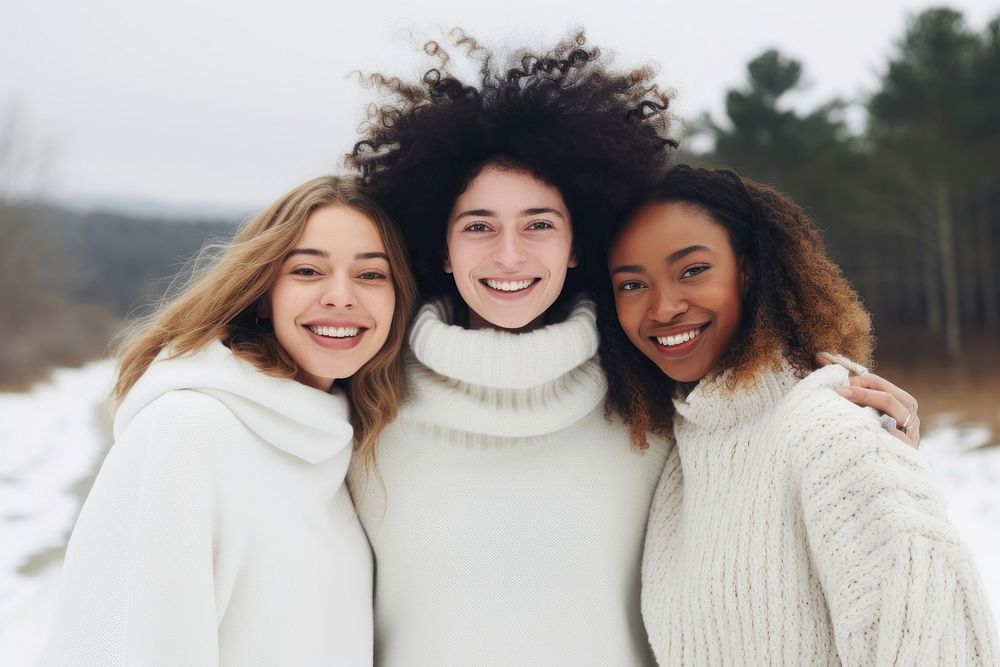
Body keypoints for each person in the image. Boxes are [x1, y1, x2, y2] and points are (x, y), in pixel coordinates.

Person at [346, 34, 922, 664]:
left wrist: (863, 434)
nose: (508, 254)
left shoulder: (649, 392)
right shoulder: (367, 394)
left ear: (575, 245)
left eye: (539, 223)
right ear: (443, 251)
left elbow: (763, 465)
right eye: (478, 226)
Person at [599, 164, 997, 665]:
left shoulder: (830, 429)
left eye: (693, 270)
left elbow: (939, 649)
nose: (663, 306)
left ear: (746, 270)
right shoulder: (678, 456)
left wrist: (875, 460)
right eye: (632, 285)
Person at [45, 176, 417, 665]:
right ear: (264, 293)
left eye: (371, 275)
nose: (341, 296)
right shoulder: (187, 431)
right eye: (307, 270)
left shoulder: (342, 448)